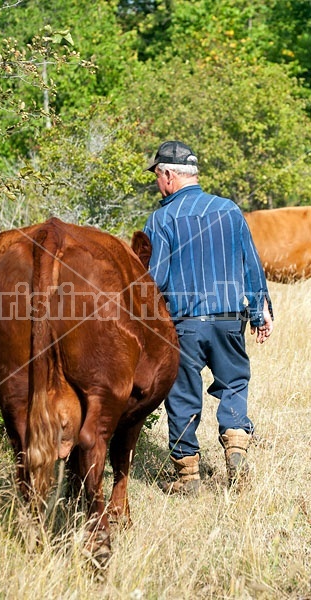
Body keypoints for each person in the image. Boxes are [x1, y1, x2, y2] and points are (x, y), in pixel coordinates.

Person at [143, 140, 273, 495]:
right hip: (231, 319)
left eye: (157, 175)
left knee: (183, 394)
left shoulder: (161, 218)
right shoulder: (229, 210)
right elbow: (251, 264)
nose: (157, 182)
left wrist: (142, 322)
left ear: (168, 174)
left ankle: (188, 477)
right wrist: (262, 312)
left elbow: (155, 279)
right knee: (233, 383)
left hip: (184, 324)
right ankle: (235, 444)